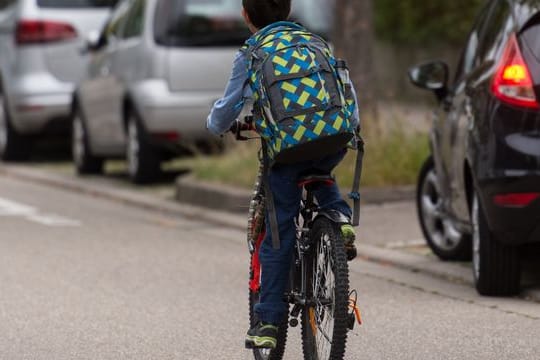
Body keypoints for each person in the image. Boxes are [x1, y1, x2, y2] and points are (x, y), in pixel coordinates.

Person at [206, 0, 360, 350]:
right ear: (288, 10)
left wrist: (215, 124)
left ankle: (270, 322)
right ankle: (339, 217)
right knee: (319, 168)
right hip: (334, 138)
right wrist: (351, 129)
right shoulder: (316, 43)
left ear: (246, 16)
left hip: (288, 149)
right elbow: (345, 91)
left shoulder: (252, 52)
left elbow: (228, 106)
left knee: (279, 229)